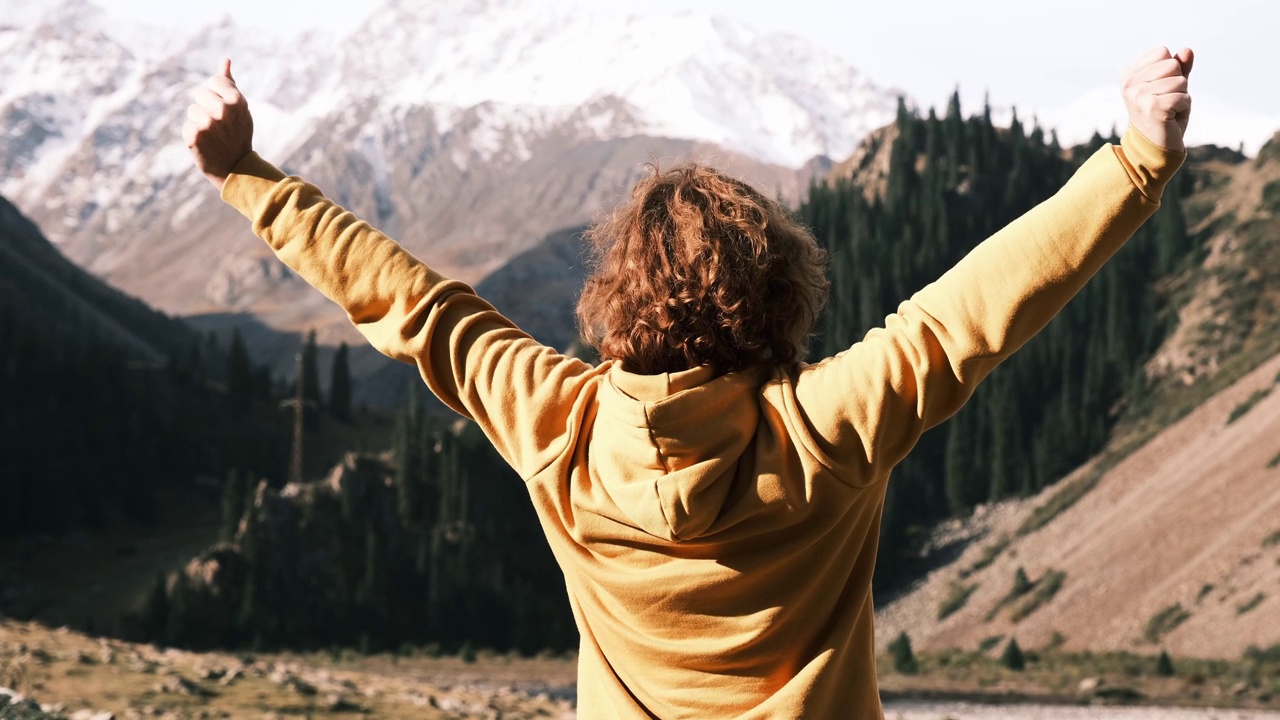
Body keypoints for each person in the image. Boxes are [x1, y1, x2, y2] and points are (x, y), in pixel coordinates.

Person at [184, 46, 1193, 718]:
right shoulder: (824, 431)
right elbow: (974, 309)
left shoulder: (559, 426)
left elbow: (408, 303)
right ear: (779, 291)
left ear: (614, 298)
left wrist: (245, 174)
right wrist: (1135, 160)